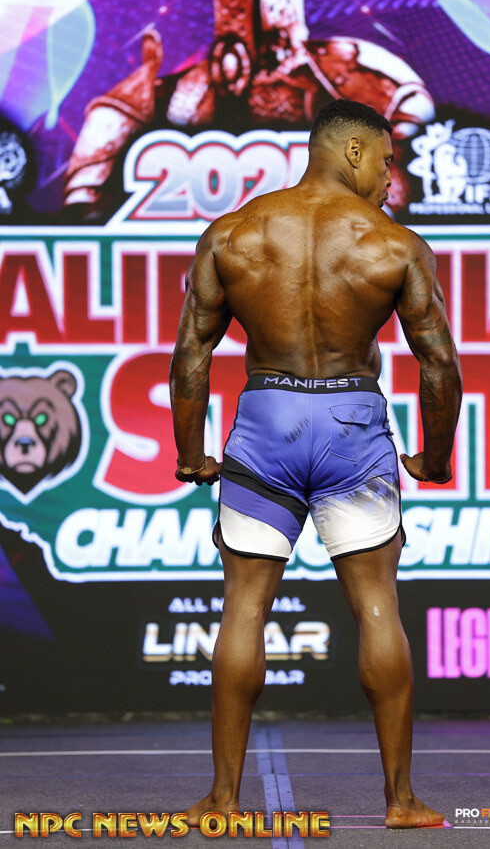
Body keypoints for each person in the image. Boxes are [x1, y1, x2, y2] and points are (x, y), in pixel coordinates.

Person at [169, 98, 462, 829]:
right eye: (387, 161)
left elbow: (191, 355)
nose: (391, 178)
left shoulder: (233, 233)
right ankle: (400, 801)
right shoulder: (393, 244)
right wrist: (435, 457)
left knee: (244, 606)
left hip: (266, 421)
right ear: (354, 150)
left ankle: (224, 798)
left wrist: (190, 454)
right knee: (377, 606)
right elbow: (439, 364)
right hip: (351, 424)